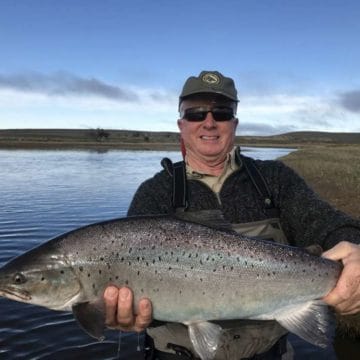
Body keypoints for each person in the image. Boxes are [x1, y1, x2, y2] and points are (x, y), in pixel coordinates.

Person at [103, 71, 360, 359]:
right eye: (196, 113)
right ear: (181, 125)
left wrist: (354, 250)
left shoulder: (274, 179)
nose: (209, 122)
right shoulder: (155, 192)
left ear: (234, 123)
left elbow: (332, 225)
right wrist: (131, 315)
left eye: (221, 113)